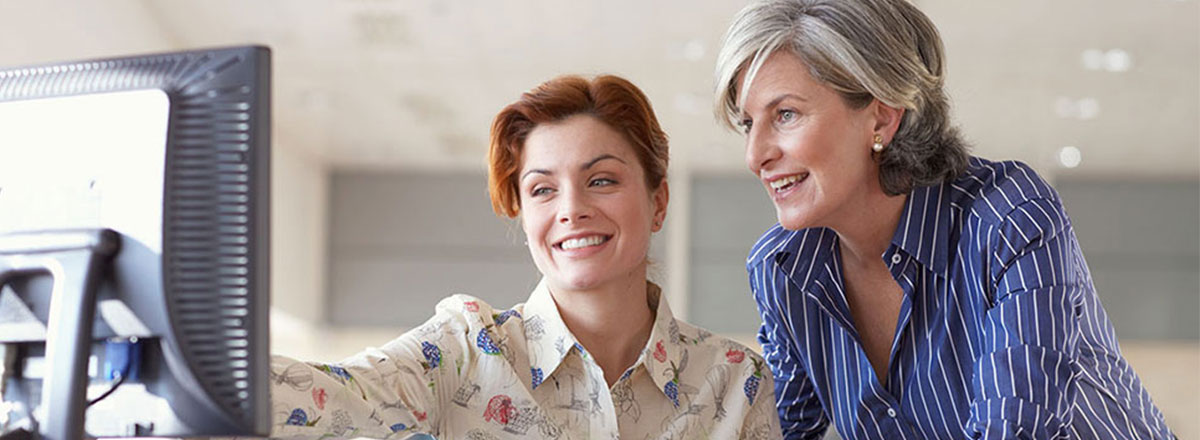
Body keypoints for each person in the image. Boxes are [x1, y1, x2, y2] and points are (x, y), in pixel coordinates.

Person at [712, 0, 1174, 439]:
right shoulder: (785, 269)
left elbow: (1017, 428)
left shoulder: (1007, 219)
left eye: (786, 114)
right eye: (748, 123)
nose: (756, 156)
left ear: (882, 118)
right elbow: (780, 429)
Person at [270, 75, 783, 439]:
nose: (572, 210)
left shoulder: (735, 383)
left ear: (658, 202)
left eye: (601, 181)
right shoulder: (463, 350)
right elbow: (326, 398)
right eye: (542, 190)